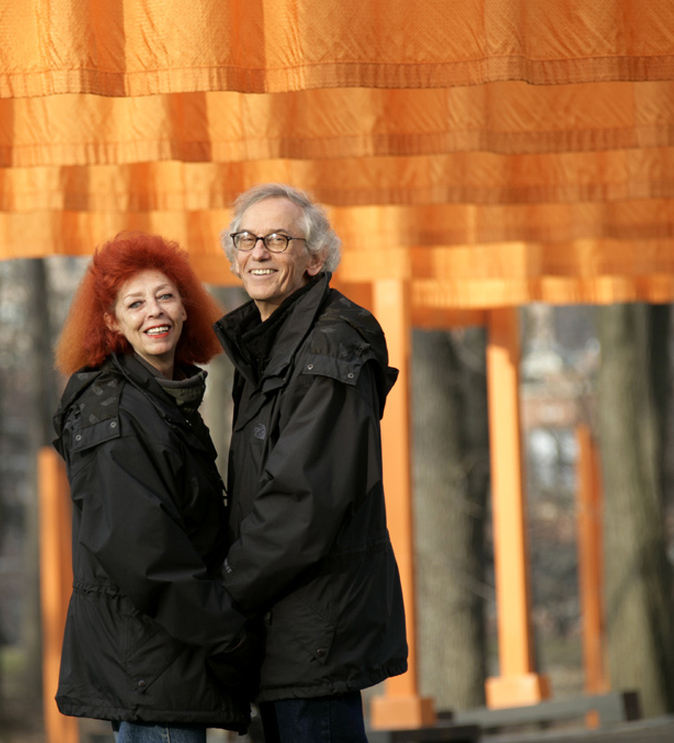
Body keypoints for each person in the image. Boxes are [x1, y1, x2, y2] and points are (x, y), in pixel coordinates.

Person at [213, 183, 409, 742]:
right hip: (284, 631)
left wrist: (223, 596)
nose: (259, 252)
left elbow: (303, 502)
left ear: (315, 260)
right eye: (247, 239)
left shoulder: (330, 345)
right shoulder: (270, 343)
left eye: (279, 239)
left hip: (314, 635)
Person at [51, 232, 258, 743]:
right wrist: (229, 638)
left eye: (165, 296)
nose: (154, 312)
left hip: (170, 658)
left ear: (186, 308)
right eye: (135, 302)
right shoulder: (116, 412)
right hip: (151, 665)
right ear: (111, 322)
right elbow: (146, 556)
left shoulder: (165, 403)